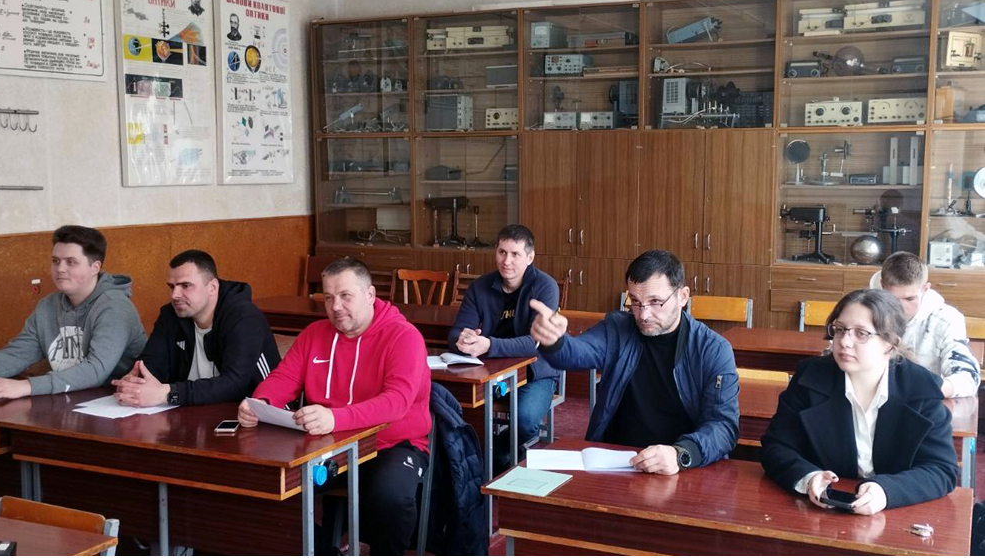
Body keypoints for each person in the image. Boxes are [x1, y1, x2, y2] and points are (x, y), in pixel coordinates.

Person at [237, 257, 431, 555]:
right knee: (269, 487)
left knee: (390, 497)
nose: (336, 306)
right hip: (328, 445)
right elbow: (284, 377)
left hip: (391, 445)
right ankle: (320, 550)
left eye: (345, 296)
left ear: (370, 295)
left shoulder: (404, 337)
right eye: (328, 298)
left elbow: (396, 402)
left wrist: (335, 418)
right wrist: (260, 403)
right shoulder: (314, 334)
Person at [529, 249, 739, 475]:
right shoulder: (618, 329)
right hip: (616, 461)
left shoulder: (712, 349)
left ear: (682, 296)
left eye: (655, 302)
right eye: (636, 302)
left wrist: (681, 454)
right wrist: (555, 341)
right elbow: (576, 353)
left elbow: (723, 426)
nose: (643, 315)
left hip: (679, 469)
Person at [761, 289, 958, 515]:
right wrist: (809, 478)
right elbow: (776, 447)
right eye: (840, 329)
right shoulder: (810, 377)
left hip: (896, 516)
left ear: (890, 343)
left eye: (861, 333)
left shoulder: (921, 388)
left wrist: (886, 491)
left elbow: (941, 469)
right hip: (821, 511)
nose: (845, 342)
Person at [0, 226, 146, 401]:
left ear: (95, 267)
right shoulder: (48, 306)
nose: (60, 269)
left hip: (116, 402)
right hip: (68, 397)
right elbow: (17, 354)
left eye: (71, 262)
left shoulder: (115, 307)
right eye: (55, 261)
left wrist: (26, 386)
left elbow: (96, 370)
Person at [448, 224, 559, 469]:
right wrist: (463, 339)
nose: (506, 261)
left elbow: (533, 343)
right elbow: (456, 331)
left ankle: (493, 455)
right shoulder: (480, 287)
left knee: (524, 420)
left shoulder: (545, 287)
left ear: (530, 257)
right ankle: (476, 458)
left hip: (536, 372)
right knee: (458, 407)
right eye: (502, 252)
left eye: (515, 254)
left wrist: (488, 344)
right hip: (490, 370)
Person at [112, 250, 280, 407]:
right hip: (193, 412)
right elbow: (151, 365)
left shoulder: (243, 318)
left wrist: (169, 394)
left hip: (251, 413)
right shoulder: (171, 314)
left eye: (185, 286)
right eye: (171, 286)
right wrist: (134, 383)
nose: (175, 295)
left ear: (213, 287)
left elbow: (235, 384)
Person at [867, 251, 979, 398]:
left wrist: (927, 388)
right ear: (882, 286)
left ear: (926, 289)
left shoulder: (946, 319)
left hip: (922, 401)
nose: (900, 307)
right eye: (893, 298)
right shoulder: (864, 312)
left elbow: (967, 377)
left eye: (909, 299)